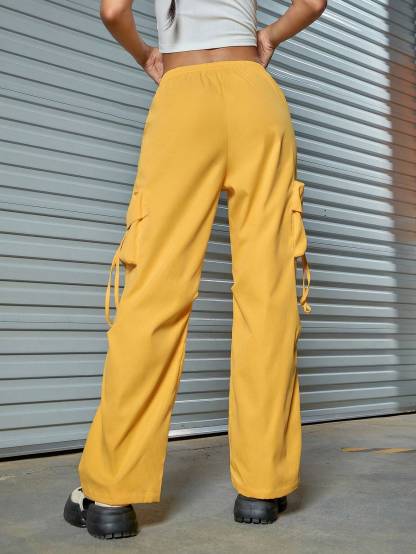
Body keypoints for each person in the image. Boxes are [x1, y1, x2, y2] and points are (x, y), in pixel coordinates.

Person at [63, 0, 326, 540]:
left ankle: (112, 493)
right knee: (267, 294)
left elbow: (113, 12)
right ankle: (262, 487)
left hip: (182, 99)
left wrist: (146, 55)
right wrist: (269, 36)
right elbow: (314, 3)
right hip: (256, 99)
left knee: (155, 294)